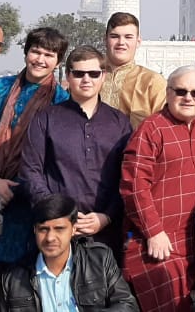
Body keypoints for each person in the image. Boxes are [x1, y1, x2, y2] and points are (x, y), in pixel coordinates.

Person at [120, 64, 195, 312]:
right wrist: (153, 231)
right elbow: (133, 185)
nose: (188, 98)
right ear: (168, 93)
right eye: (181, 91)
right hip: (156, 243)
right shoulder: (151, 129)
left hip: (191, 243)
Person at [19, 45, 133, 250]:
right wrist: (58, 215)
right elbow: (30, 171)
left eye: (93, 73)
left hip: (105, 234)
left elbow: (127, 176)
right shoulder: (46, 118)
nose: (86, 79)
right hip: (56, 232)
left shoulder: (120, 123)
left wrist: (107, 216)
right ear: (68, 76)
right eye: (79, 73)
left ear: (103, 76)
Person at [0, 28, 72, 271]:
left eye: (49, 55)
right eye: (36, 51)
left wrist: (20, 186)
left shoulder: (61, 101)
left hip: (30, 203)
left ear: (58, 61)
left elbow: (57, 160)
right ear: (26, 53)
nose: (40, 59)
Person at [0, 193, 139, 311]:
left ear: (74, 229)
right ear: (35, 230)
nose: (50, 238)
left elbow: (127, 305)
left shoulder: (99, 260)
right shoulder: (12, 278)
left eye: (59, 229)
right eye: (43, 229)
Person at [101, 12, 167, 129]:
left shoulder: (152, 81)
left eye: (128, 37)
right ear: (105, 40)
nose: (121, 43)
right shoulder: (89, 77)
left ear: (138, 42)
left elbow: (164, 128)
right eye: (114, 36)